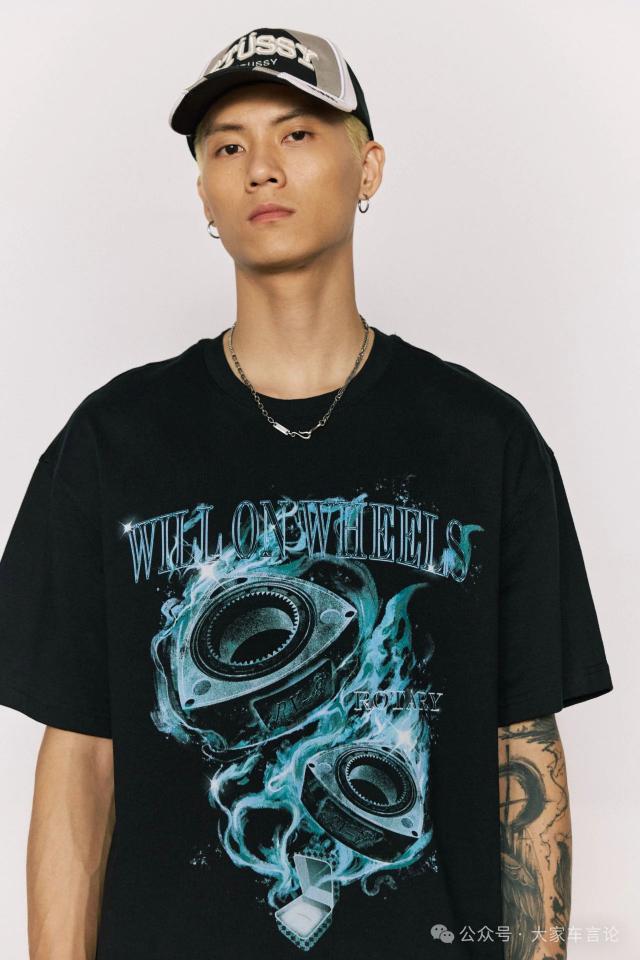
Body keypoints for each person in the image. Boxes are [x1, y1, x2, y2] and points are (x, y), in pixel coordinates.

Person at [0, 26, 614, 960]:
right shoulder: (110, 444)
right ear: (204, 195)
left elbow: (522, 755)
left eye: (296, 133)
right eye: (227, 146)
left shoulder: (485, 441)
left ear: (368, 168)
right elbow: (79, 766)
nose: (261, 168)